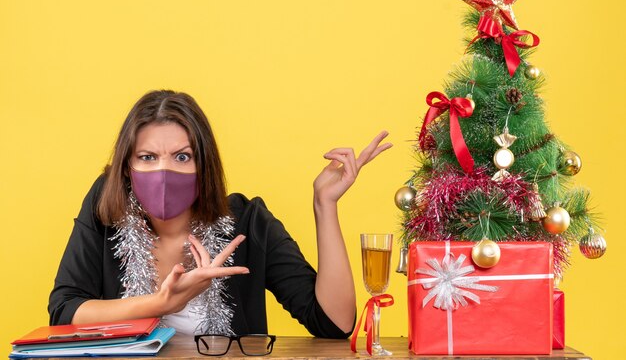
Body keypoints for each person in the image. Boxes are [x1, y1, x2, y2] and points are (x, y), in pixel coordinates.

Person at [48, 90, 392, 338]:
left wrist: (325, 205)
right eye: (148, 157)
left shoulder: (247, 220)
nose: (163, 172)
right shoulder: (106, 209)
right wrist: (161, 302)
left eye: (182, 157)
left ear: (204, 165)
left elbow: (333, 323)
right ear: (126, 167)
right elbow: (64, 311)